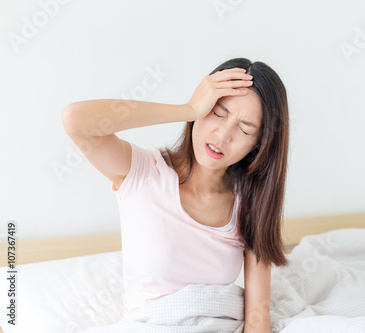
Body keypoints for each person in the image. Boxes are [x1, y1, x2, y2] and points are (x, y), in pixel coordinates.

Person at [61, 57, 290, 332]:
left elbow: (257, 318)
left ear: (257, 146)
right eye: (218, 112)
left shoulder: (251, 203)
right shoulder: (142, 171)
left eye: (244, 129)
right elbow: (76, 120)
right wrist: (188, 108)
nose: (223, 134)